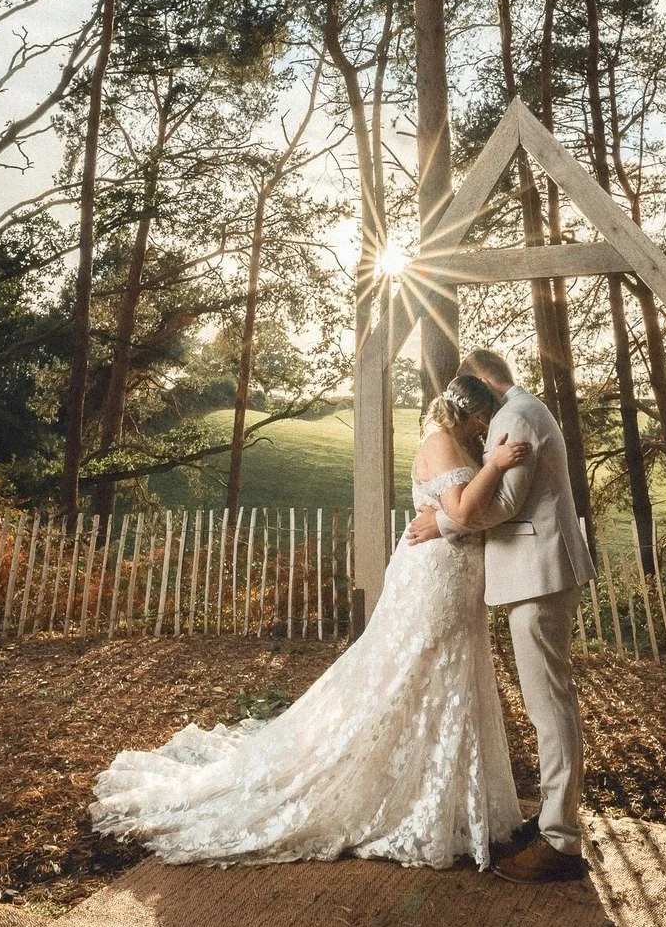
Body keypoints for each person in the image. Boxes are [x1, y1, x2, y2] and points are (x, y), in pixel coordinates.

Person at [89, 374, 528, 870]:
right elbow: (465, 512)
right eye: (482, 419)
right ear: (468, 414)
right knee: (410, 678)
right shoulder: (443, 443)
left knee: (445, 681)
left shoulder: (456, 442)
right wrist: (494, 465)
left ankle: (438, 795)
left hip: (455, 579)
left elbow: (473, 514)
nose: (486, 429)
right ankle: (393, 793)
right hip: (436, 581)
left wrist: (484, 477)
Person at [407, 349, 595, 884]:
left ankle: (560, 840)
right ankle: (556, 823)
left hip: (540, 574)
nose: (483, 419)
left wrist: (439, 522)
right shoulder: (527, 410)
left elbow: (504, 506)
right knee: (549, 700)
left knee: (549, 702)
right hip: (540, 571)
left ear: (482, 382)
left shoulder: (514, 417)